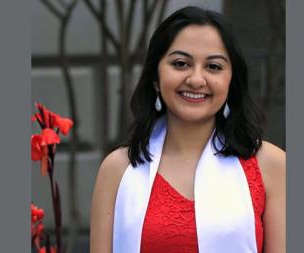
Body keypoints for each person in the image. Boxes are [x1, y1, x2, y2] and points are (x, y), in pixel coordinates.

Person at [90, 6, 285, 253]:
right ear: (154, 78)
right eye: (181, 63)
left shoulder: (271, 166)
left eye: (213, 67)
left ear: (231, 80)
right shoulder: (118, 169)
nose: (196, 79)